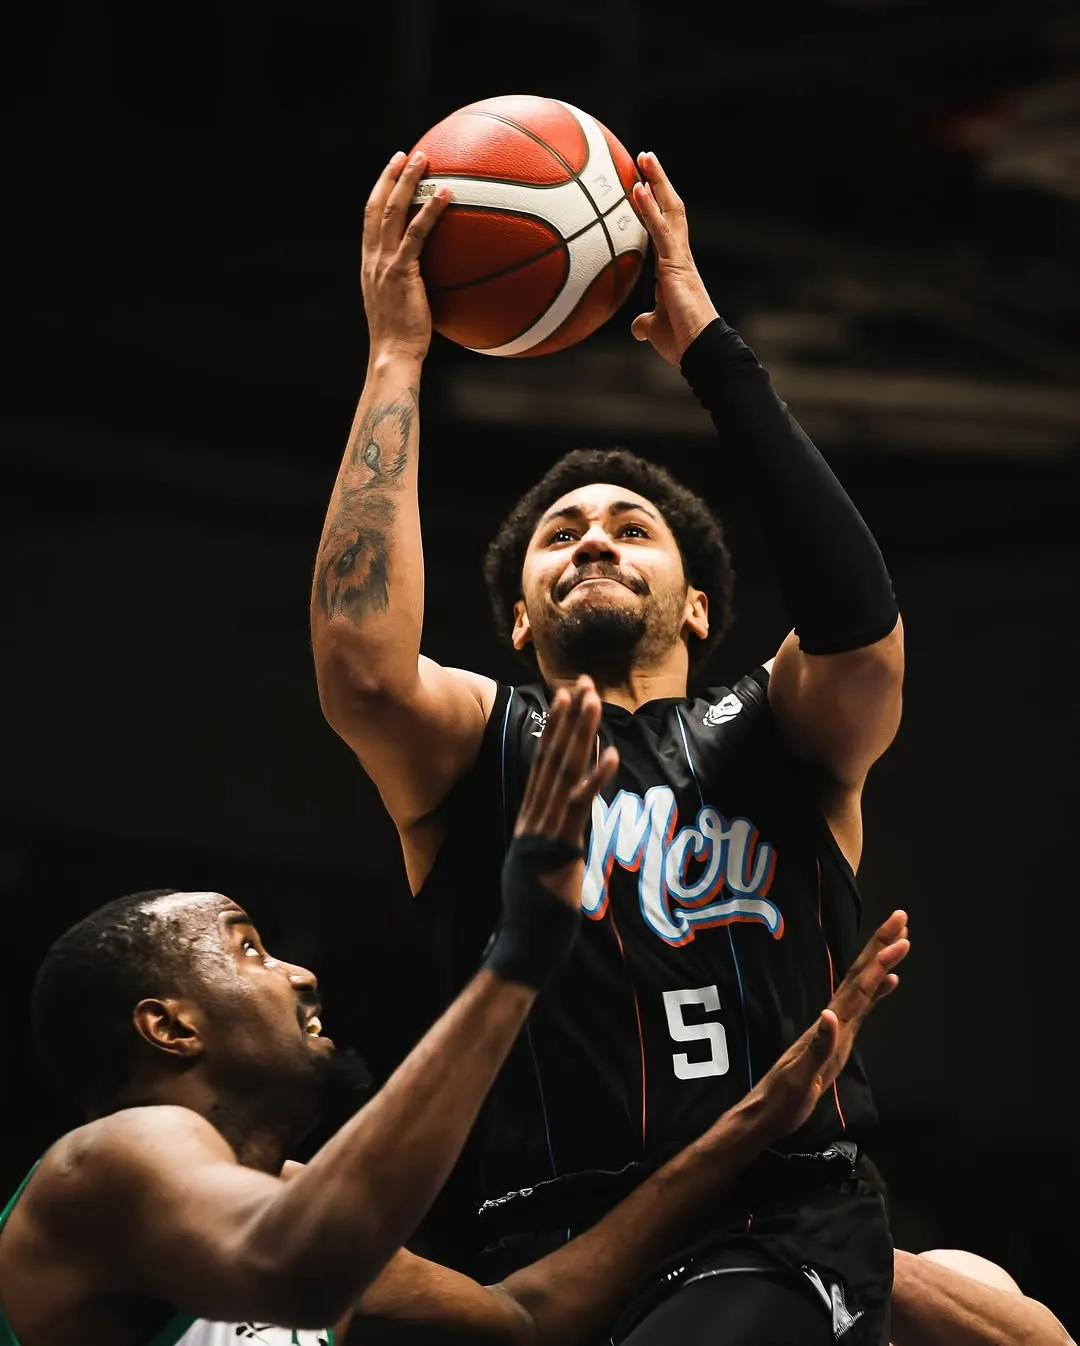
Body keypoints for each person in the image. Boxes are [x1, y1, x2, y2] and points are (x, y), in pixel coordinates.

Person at [310, 144, 905, 1343]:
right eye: (560, 533)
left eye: (633, 529)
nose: (592, 539)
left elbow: (859, 627)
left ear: (699, 607)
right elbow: (363, 669)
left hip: (774, 1219)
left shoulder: (777, 727)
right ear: (516, 620)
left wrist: (711, 352)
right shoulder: (481, 744)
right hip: (546, 1249)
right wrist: (397, 354)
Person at [0, 679, 914, 1346]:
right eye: (248, 949)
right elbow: (292, 1266)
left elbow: (526, 1318)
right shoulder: (115, 1158)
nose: (300, 975)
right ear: (169, 1027)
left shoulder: (295, 1203)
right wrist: (517, 958)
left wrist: (752, 1123)